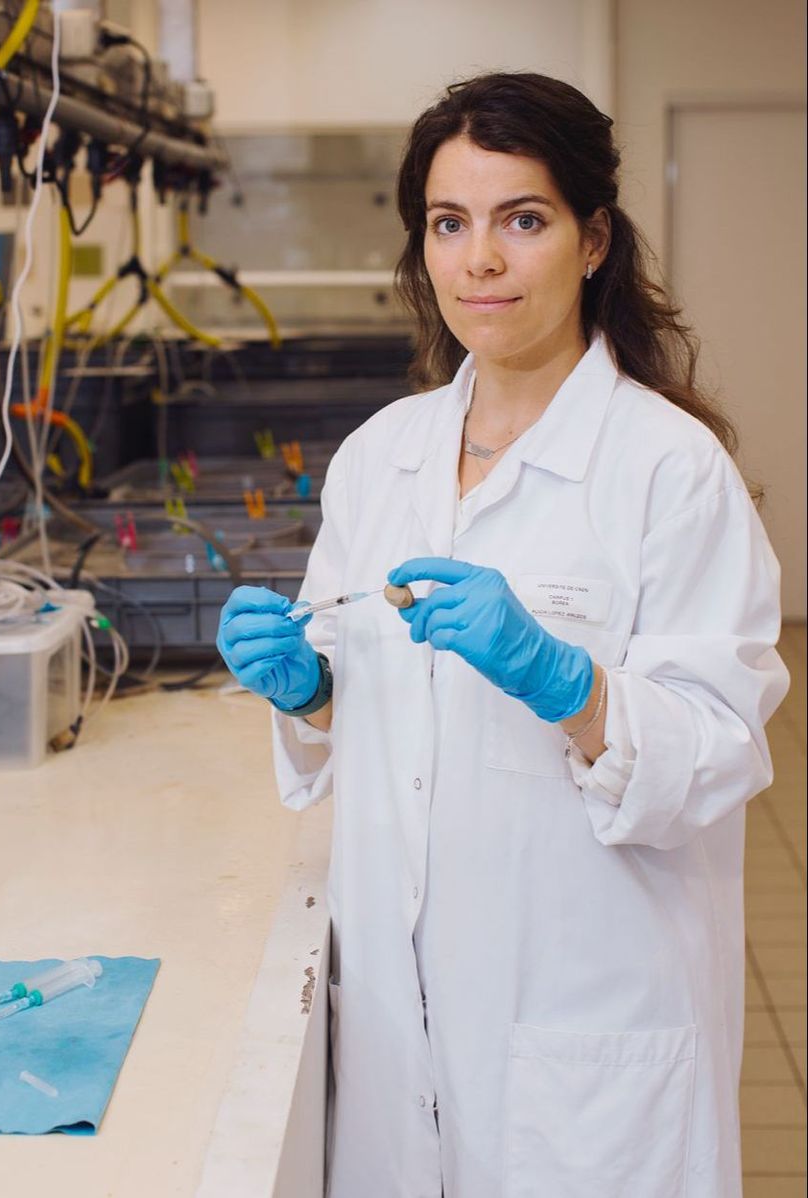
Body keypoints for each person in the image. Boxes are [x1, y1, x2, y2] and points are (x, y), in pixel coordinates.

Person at [216, 72, 789, 1198]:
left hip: (586, 1029)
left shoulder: (667, 470)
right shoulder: (386, 454)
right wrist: (306, 691)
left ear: (591, 242)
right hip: (400, 1027)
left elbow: (719, 750)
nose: (478, 259)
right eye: (449, 222)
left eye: (520, 220)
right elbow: (360, 709)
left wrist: (566, 682)